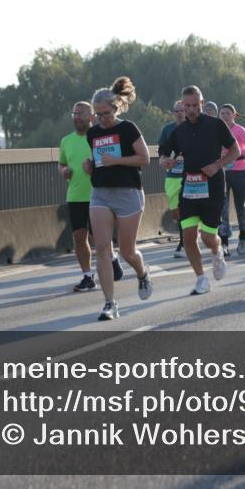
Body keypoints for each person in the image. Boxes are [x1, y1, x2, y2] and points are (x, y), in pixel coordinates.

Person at [83, 77, 154, 320]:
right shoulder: (92, 133)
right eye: (98, 114)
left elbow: (144, 158)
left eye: (106, 113)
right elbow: (100, 162)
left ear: (116, 107)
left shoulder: (128, 128)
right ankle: (110, 303)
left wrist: (118, 161)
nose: (102, 119)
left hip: (128, 193)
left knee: (127, 251)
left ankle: (142, 273)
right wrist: (90, 166)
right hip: (100, 193)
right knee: (102, 248)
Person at [158, 86, 239, 295]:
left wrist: (217, 165)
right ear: (183, 106)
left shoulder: (215, 124)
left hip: (212, 186)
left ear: (202, 104)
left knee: (207, 237)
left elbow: (235, 150)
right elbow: (165, 152)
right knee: (188, 236)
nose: (191, 110)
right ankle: (201, 279)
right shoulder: (180, 130)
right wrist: (165, 160)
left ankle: (217, 251)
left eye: (195, 105)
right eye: (187, 106)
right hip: (190, 187)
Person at [59, 101, 124, 292]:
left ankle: (112, 258)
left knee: (100, 238)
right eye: (74, 113)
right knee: (79, 236)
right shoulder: (66, 141)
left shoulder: (99, 136)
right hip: (75, 194)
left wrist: (93, 167)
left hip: (99, 194)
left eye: (81, 114)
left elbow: (113, 162)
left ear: (91, 117)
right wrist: (63, 171)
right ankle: (87, 276)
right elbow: (62, 163)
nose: (77, 117)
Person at [217, 104, 245, 257]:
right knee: (223, 209)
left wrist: (235, 153)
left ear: (234, 115)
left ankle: (242, 237)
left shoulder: (239, 130)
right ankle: (224, 243)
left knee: (240, 206)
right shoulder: (216, 130)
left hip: (239, 172)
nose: (225, 116)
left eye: (228, 113)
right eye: (222, 113)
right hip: (222, 173)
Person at [157, 101, 187, 258]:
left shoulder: (193, 128)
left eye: (183, 110)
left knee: (188, 209)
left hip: (190, 176)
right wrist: (164, 160)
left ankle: (184, 243)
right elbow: (161, 153)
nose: (180, 113)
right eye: (177, 111)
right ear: (173, 113)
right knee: (176, 212)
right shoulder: (167, 129)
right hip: (172, 176)